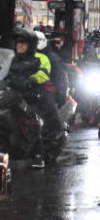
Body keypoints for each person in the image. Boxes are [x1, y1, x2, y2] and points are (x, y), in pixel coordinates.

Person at [9, 27, 60, 167]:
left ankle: (38, 155)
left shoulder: (40, 58)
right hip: (13, 94)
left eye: (23, 43)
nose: (20, 45)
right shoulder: (11, 58)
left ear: (30, 45)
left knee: (35, 121)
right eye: (18, 42)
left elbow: (44, 73)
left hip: (32, 95)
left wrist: (31, 80)